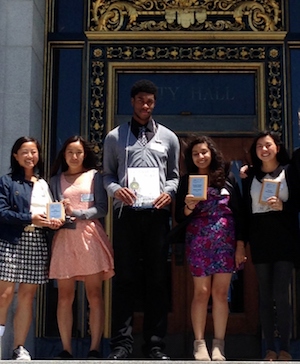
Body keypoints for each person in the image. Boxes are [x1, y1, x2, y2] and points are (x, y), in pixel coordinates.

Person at [103, 79, 180, 359]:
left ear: (154, 104)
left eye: (150, 101)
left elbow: (174, 176)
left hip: (157, 217)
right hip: (127, 216)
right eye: (140, 100)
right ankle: (121, 346)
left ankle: (155, 345)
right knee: (124, 279)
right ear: (132, 102)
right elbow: (108, 174)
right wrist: (115, 190)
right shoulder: (115, 137)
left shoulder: (169, 137)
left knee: (157, 280)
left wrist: (169, 193)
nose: (145, 105)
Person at [175, 135, 246, 361]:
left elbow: (240, 214)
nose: (200, 157)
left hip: (225, 241)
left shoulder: (227, 179)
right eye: (195, 154)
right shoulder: (186, 181)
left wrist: (240, 246)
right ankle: (199, 344)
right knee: (201, 292)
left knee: (220, 293)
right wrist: (188, 206)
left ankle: (219, 345)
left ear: (212, 153)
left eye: (204, 152)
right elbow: (178, 216)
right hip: (198, 241)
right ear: (191, 158)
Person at [49, 136, 114, 359]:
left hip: (89, 236)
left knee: (94, 295)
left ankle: (95, 347)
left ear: (85, 154)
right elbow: (51, 209)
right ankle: (66, 349)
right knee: (65, 297)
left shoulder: (95, 176)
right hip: (65, 238)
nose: (74, 156)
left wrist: (78, 214)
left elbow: (102, 208)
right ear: (64, 155)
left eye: (78, 152)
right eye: (70, 152)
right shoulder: (54, 180)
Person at [0, 136, 62, 360]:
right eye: (24, 152)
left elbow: (52, 211)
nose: (29, 156)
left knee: (27, 296)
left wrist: (56, 221)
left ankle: (19, 347)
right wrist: (30, 218)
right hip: (11, 241)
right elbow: (2, 212)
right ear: (15, 156)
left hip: (37, 242)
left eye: (33, 152)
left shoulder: (44, 183)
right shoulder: (7, 182)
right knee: (4, 295)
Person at [241, 130, 300, 361]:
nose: (263, 150)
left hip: (284, 240)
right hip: (260, 241)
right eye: (259, 147)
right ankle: (269, 349)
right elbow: (245, 214)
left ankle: (285, 348)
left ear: (277, 146)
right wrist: (242, 243)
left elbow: (298, 203)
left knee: (281, 295)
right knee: (264, 296)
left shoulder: (290, 172)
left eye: (268, 145)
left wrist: (283, 207)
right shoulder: (250, 176)